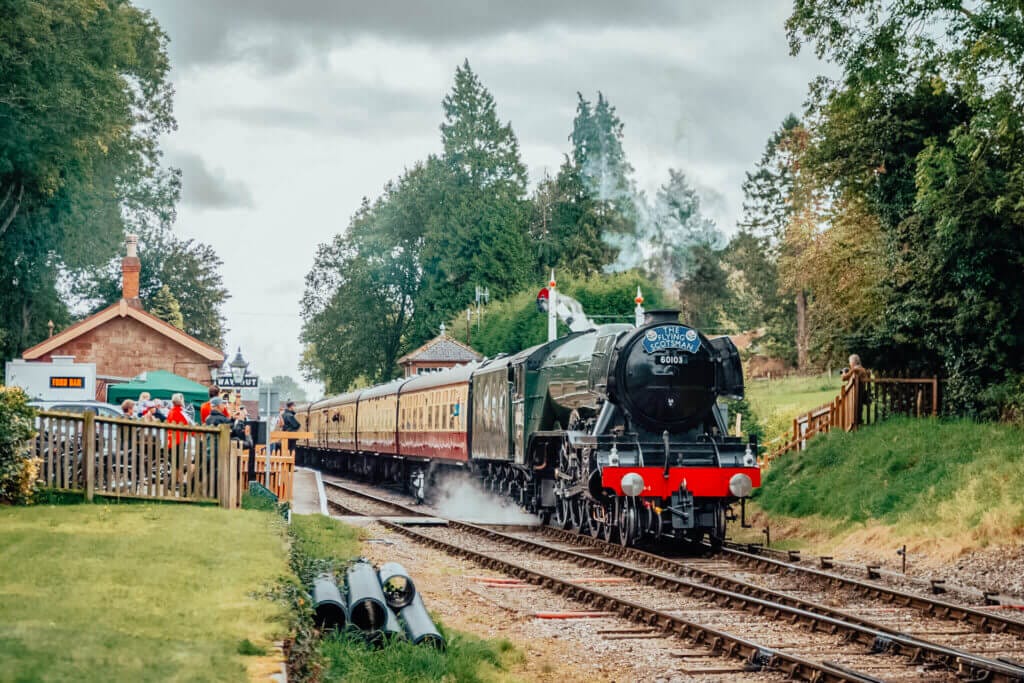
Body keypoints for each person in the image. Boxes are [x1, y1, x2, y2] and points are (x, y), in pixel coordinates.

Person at [841, 354, 872, 425]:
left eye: (850, 362)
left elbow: (844, 378)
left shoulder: (855, 369)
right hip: (860, 392)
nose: (849, 364)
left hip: (855, 394)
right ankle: (858, 423)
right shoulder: (862, 369)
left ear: (853, 362)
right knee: (859, 410)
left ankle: (856, 425)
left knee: (856, 411)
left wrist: (843, 373)